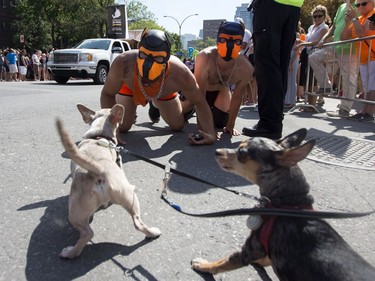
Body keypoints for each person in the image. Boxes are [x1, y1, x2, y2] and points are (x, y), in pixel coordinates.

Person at [100, 29, 216, 145]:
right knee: (123, 127)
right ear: (139, 49)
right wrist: (111, 129)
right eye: (144, 54)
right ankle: (140, 106)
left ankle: (155, 104)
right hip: (130, 87)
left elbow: (200, 101)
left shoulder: (181, 73)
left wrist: (208, 132)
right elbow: (107, 94)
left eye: (158, 58)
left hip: (163, 91)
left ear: (167, 58)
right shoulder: (124, 63)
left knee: (177, 126)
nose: (149, 63)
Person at [242, 0, 303, 139]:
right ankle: (274, 123)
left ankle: (269, 124)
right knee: (279, 66)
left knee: (267, 65)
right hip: (293, 6)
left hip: (271, 6)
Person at [193, 20, 254, 135]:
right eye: (224, 39)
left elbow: (237, 97)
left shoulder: (246, 68)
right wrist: (203, 129)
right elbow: (199, 94)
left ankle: (212, 115)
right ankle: (158, 104)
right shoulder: (205, 57)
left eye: (236, 41)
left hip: (221, 92)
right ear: (217, 41)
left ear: (241, 43)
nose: (229, 45)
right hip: (195, 92)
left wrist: (230, 126)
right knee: (178, 121)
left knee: (220, 122)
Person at [309, 0, 359, 118]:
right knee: (314, 57)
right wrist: (324, 38)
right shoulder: (342, 6)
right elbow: (334, 26)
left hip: (350, 48)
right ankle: (326, 86)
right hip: (335, 46)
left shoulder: (360, 4)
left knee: (348, 78)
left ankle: (345, 109)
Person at [341, 0, 375, 122]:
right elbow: (343, 37)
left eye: (363, 3)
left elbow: (362, 34)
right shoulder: (359, 18)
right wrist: (348, 22)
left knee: (372, 85)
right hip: (363, 58)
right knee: (366, 86)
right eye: (357, 5)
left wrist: (354, 19)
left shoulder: (373, 14)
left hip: (373, 56)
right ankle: (364, 111)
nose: (360, 7)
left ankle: (369, 113)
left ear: (372, 3)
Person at [295, 5, 331, 108]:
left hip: (316, 53)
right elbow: (308, 40)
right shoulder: (311, 27)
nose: (317, 18)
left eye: (319, 16)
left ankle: (312, 104)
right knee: (306, 79)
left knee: (312, 80)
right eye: (314, 16)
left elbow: (317, 41)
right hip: (307, 53)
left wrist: (302, 43)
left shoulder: (324, 27)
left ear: (324, 16)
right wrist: (303, 43)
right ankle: (308, 103)